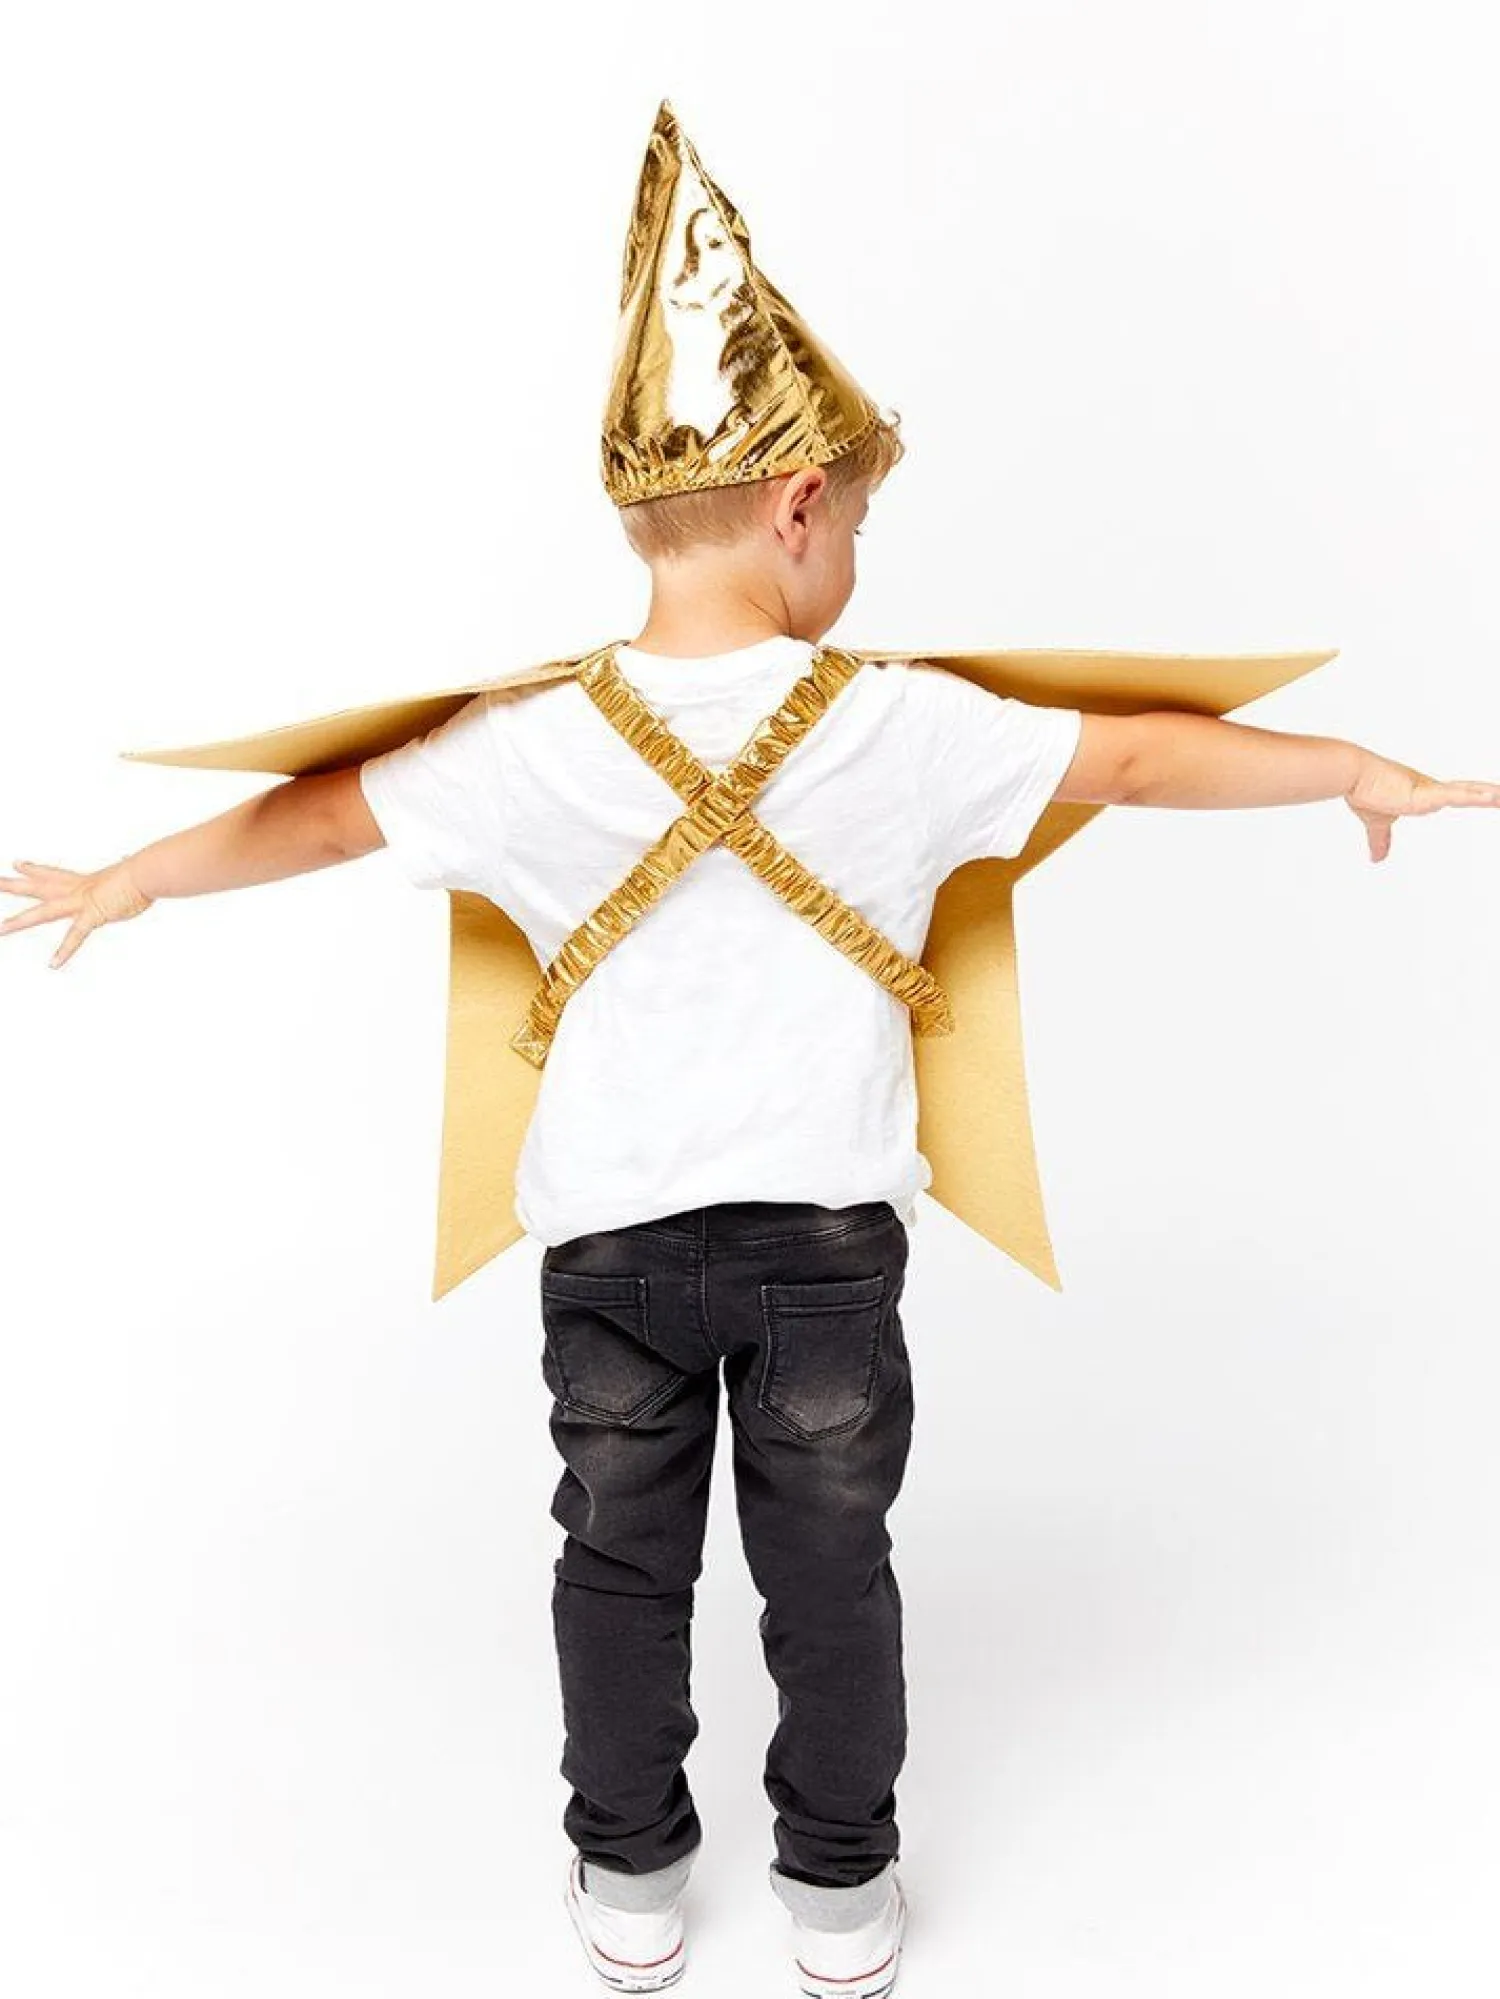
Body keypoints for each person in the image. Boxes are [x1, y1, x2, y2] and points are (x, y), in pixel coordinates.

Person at [5, 102, 1497, 1999]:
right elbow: (1132, 758)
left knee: (617, 1567)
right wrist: (1350, 768)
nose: (856, 551)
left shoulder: (523, 746)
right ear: (798, 507)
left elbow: (316, 819)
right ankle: (841, 1895)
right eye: (857, 520)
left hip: (610, 1249)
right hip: (824, 1255)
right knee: (831, 1571)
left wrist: (134, 878)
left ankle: (631, 1883)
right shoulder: (904, 726)